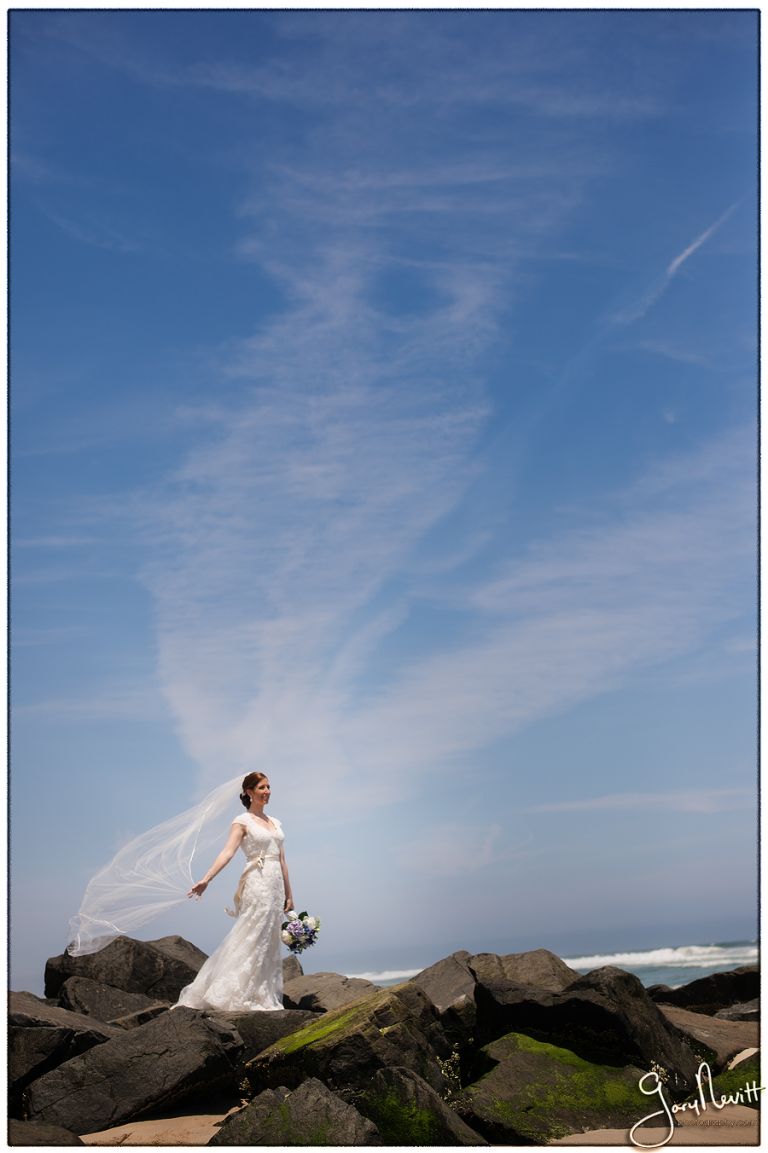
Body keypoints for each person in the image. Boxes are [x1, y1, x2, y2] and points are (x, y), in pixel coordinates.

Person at [174, 772, 294, 1011]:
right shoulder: (242, 821)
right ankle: (231, 992)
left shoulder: (276, 823)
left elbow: (282, 859)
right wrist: (206, 879)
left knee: (269, 937)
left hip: (275, 885)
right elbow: (227, 853)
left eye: (269, 786)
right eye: (262, 787)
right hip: (257, 882)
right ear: (249, 792)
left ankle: (261, 992)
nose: (267, 791)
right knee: (251, 933)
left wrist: (290, 894)